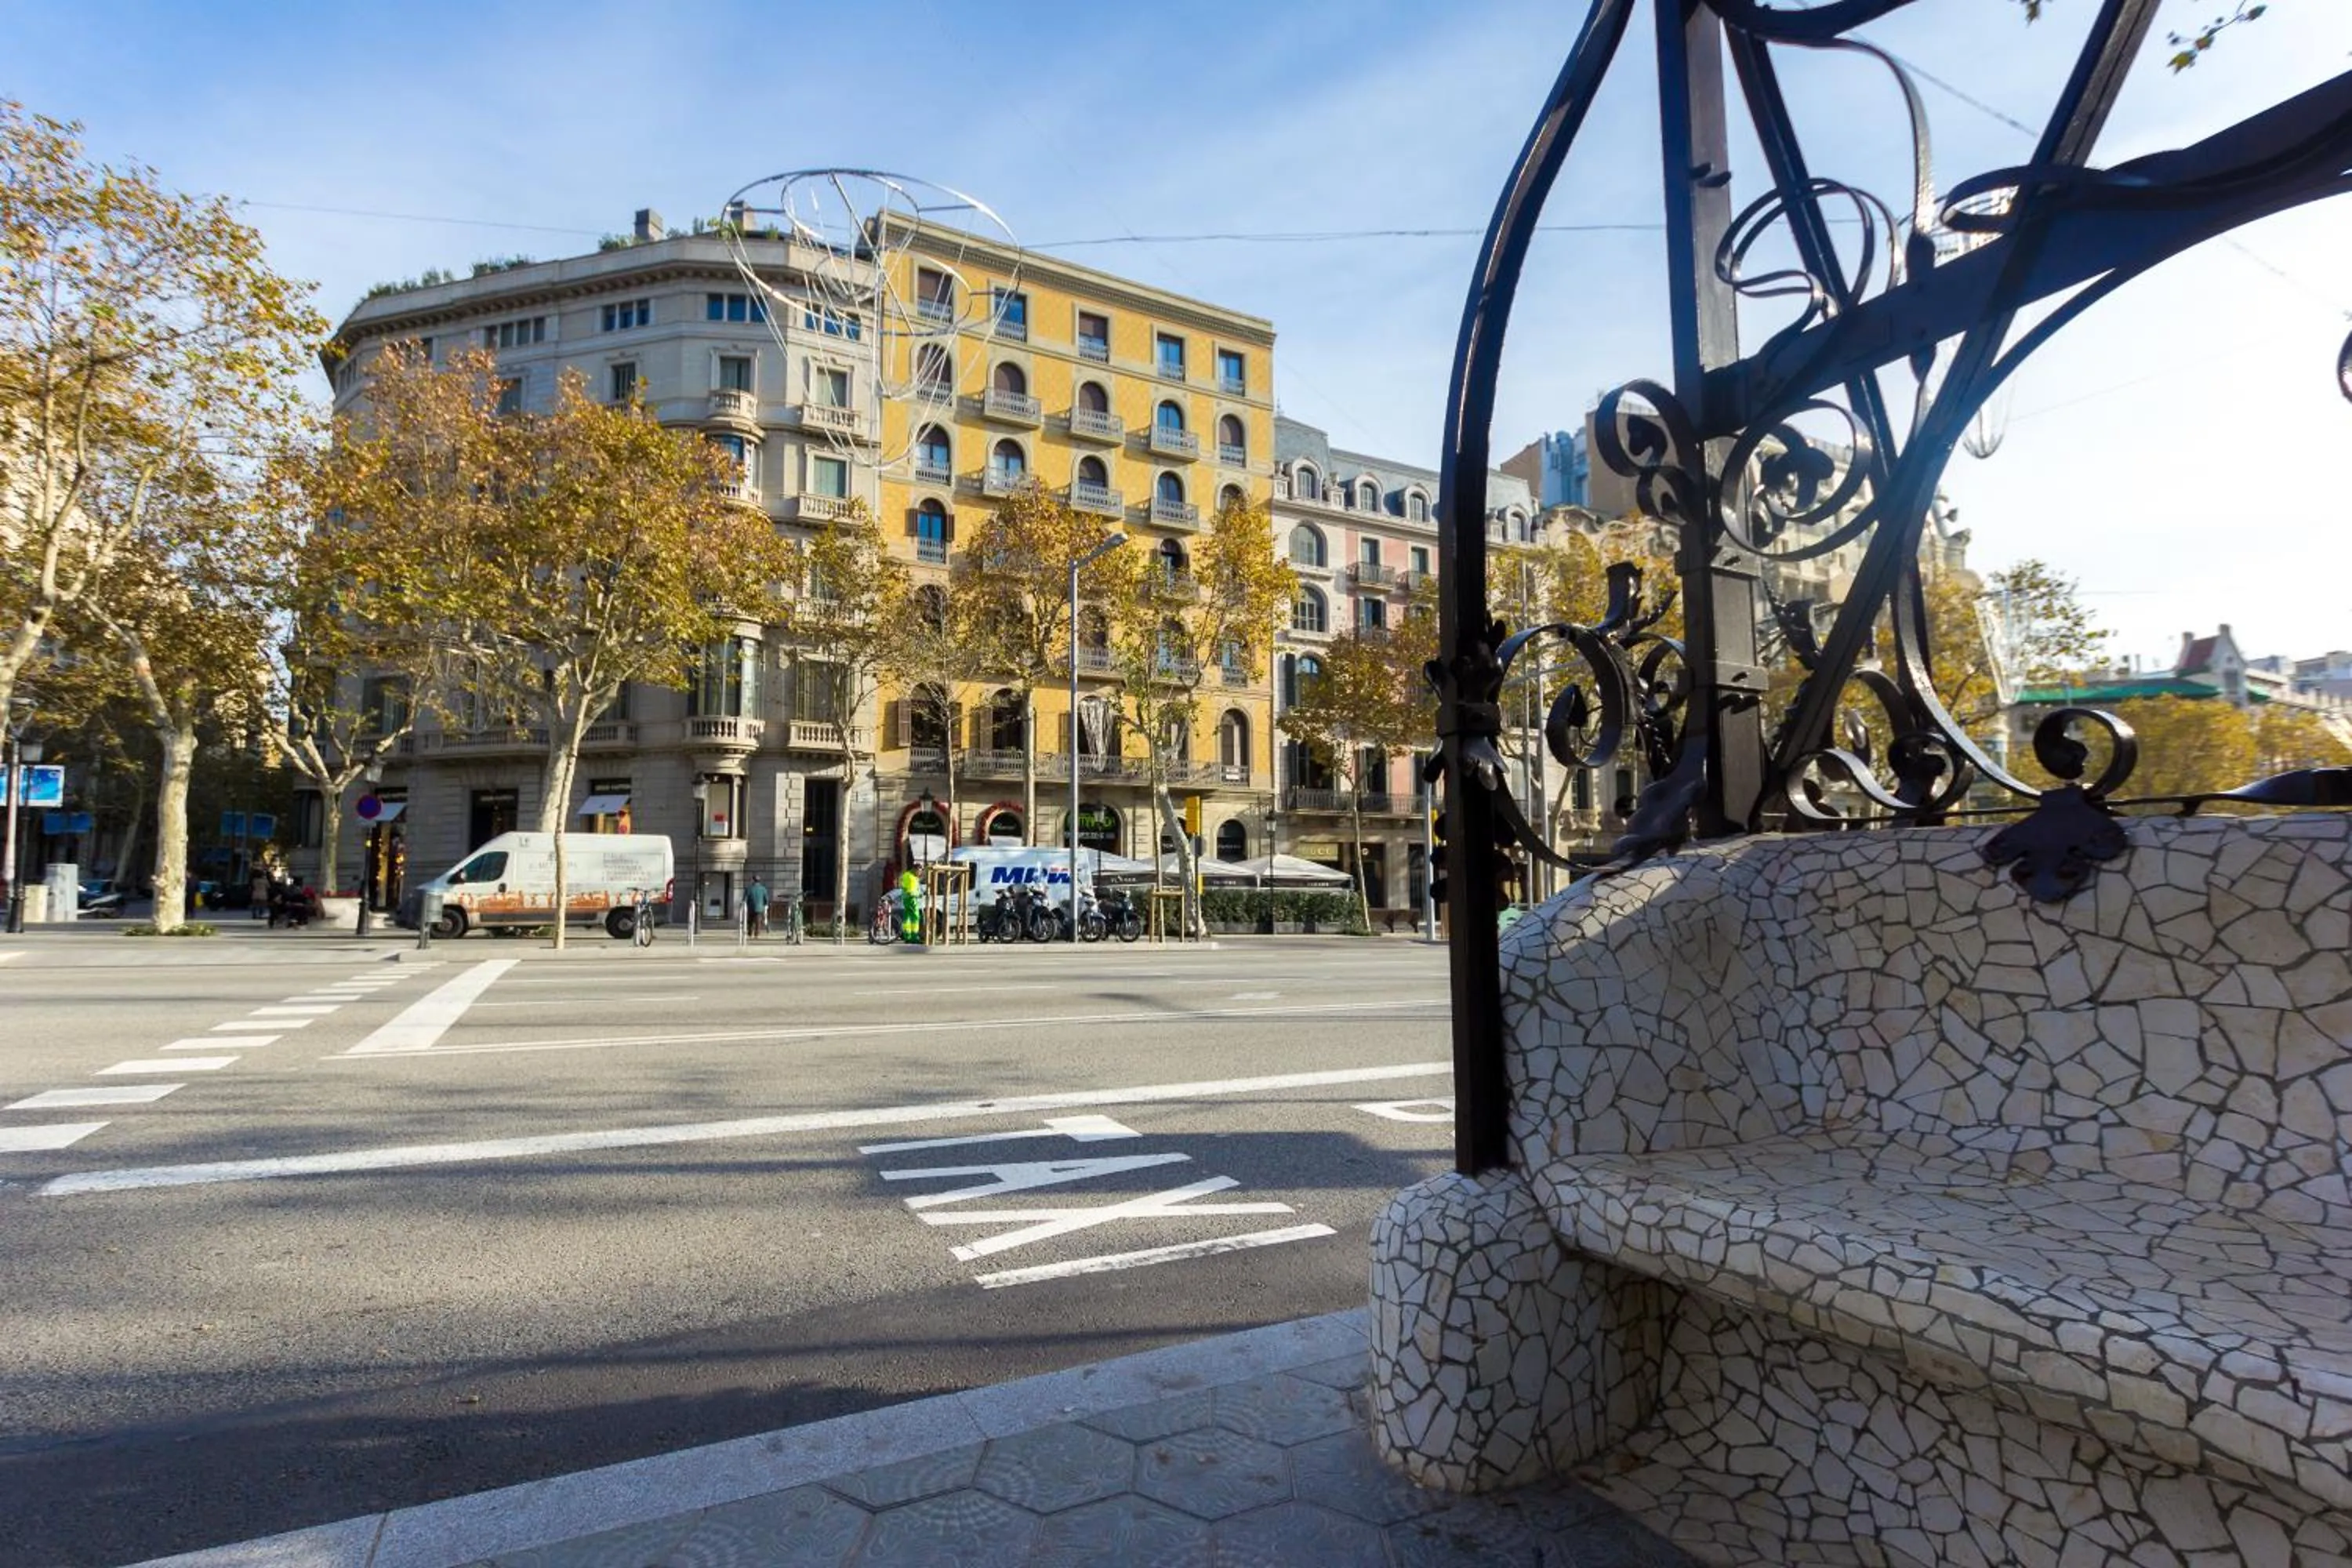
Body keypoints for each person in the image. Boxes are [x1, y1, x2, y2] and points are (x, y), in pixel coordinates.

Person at [744, 875, 770, 939]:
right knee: (758, 922)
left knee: (750, 921)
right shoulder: (763, 889)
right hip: (760, 908)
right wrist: (766, 905)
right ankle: (757, 934)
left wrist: (745, 905)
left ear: (753, 880)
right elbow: (766, 899)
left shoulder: (749, 888)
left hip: (751, 907)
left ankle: (750, 933)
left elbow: (745, 899)